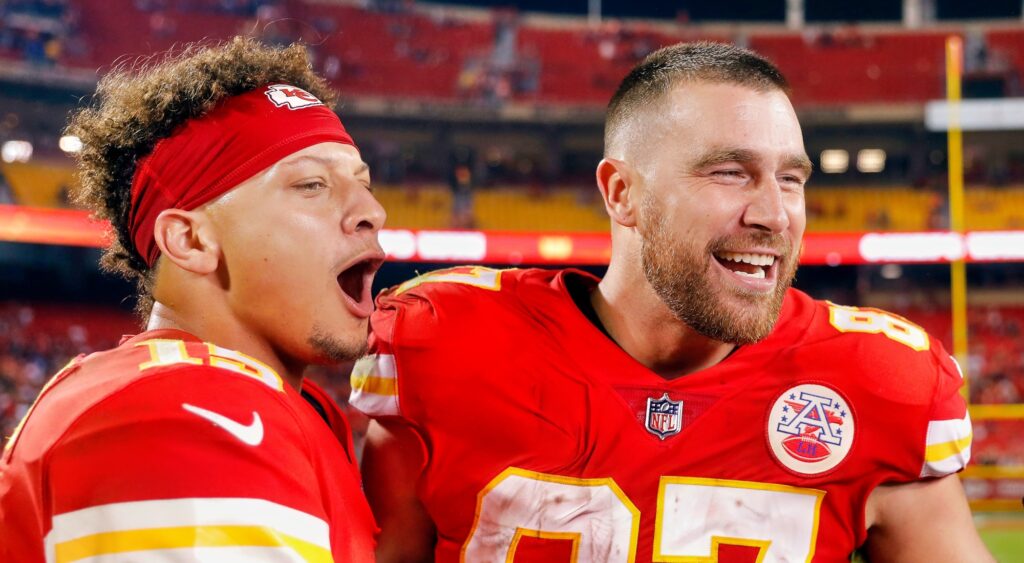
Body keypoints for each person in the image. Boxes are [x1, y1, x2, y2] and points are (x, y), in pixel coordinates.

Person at [350, 42, 992, 562]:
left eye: (791, 179)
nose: (774, 214)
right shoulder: (448, 345)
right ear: (622, 192)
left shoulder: (878, 381)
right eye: (729, 172)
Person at [0, 37, 386, 562]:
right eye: (312, 185)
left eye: (363, 183)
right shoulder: (184, 408)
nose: (371, 211)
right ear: (192, 241)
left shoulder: (286, 407)